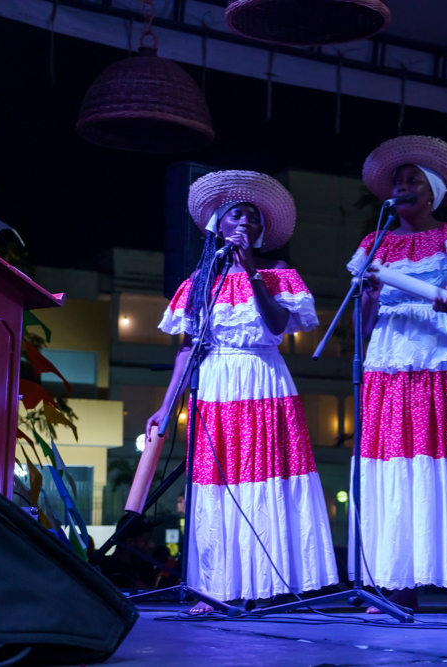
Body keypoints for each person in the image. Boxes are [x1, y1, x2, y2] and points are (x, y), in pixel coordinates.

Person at [148, 170, 338, 612]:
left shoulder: (279, 275)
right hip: (216, 385)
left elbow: (277, 326)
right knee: (219, 484)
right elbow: (188, 351)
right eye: (238, 214)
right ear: (218, 223)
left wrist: (253, 276)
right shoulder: (198, 285)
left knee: (267, 478)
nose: (247, 223)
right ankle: (215, 589)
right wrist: (164, 405)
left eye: (254, 218)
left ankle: (269, 585)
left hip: (264, 379)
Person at [349, 135, 447, 614]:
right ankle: (399, 585)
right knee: (400, 466)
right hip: (392, 363)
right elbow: (363, 324)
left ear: (432, 191)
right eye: (397, 181)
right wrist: (370, 293)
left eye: (413, 179)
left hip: (445, 361)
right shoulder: (374, 243)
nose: (403, 186)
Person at [99, 515, 157, 590]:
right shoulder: (116, 575)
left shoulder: (140, 569)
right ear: (129, 542)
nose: (152, 545)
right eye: (145, 540)